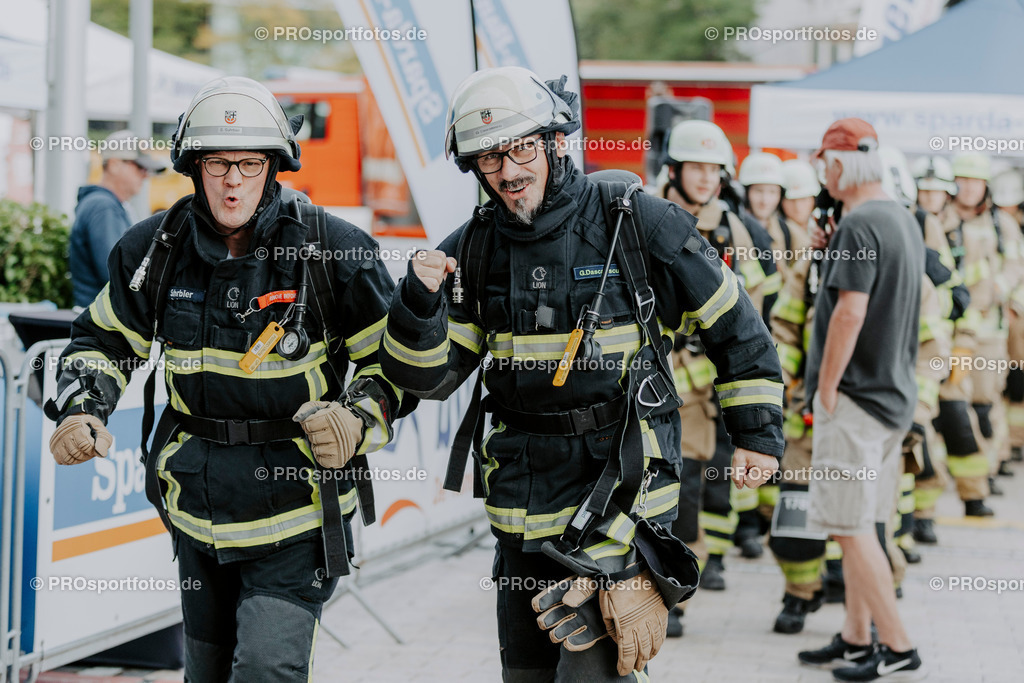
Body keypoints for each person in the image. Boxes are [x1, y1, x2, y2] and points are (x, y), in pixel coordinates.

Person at [380, 66, 784, 680]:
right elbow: (431, 379)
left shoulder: (636, 220)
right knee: (527, 675)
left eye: (519, 148)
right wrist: (416, 309)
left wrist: (756, 433)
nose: (509, 172)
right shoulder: (473, 248)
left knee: (594, 675)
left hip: (619, 496)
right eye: (489, 159)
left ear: (553, 140)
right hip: (521, 507)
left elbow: (734, 321)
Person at [46, 77, 408, 682]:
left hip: (298, 514)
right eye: (218, 163)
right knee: (206, 674)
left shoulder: (334, 248)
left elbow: (394, 366)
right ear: (194, 167)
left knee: (266, 670)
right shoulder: (153, 249)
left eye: (248, 163)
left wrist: (357, 417)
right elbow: (104, 341)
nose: (233, 180)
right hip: (197, 510)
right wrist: (82, 408)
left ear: (273, 166)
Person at [799, 118, 926, 680]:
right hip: (890, 399)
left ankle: (897, 647)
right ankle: (855, 637)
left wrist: (825, 389)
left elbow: (851, 313)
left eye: (825, 162)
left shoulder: (860, 226)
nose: (821, 174)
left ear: (844, 162)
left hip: (853, 401)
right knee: (863, 525)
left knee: (849, 528)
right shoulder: (897, 218)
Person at [653, 121, 777, 607]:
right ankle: (659, 579)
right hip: (660, 376)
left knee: (706, 476)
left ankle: (698, 569)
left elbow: (757, 304)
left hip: (713, 382)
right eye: (696, 167)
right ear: (674, 169)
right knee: (668, 479)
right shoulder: (650, 217)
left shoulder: (738, 229)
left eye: (714, 170)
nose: (706, 179)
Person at [69, 129, 167, 307]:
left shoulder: (108, 205)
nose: (145, 175)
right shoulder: (103, 207)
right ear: (114, 164)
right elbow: (116, 272)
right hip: (102, 322)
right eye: (139, 167)